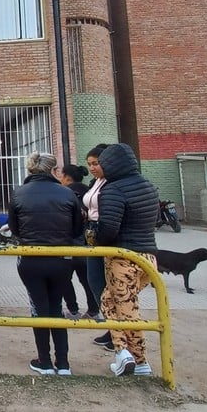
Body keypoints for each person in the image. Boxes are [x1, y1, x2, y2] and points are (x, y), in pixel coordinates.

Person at [8, 152, 84, 376]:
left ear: (30, 170)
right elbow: (77, 229)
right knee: (56, 308)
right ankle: (63, 363)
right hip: (61, 259)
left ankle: (44, 361)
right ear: (54, 170)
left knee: (38, 309)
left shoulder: (19, 193)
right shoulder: (67, 193)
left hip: (31, 259)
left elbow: (15, 229)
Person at [95, 143, 160, 377]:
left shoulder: (113, 190)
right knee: (109, 301)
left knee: (126, 307)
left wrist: (95, 240)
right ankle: (123, 354)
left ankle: (139, 361)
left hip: (123, 258)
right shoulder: (148, 186)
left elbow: (109, 228)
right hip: (148, 257)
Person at [55, 163, 99, 320]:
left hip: (67, 245)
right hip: (88, 246)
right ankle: (93, 311)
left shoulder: (63, 194)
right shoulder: (90, 194)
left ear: (67, 177)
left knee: (65, 280)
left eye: (61, 175)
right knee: (88, 281)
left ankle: (73, 310)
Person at [83, 144, 114, 351]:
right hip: (92, 234)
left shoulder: (113, 183)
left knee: (111, 285)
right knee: (95, 282)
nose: (92, 168)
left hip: (106, 235)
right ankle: (111, 325)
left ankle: (117, 330)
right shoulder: (96, 182)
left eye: (96, 163)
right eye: (90, 164)